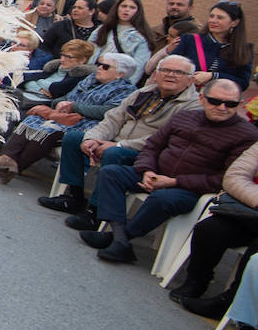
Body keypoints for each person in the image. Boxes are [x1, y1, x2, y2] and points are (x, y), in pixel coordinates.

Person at [73, 78, 258, 264]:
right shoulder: (185, 117)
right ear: (202, 98)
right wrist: (147, 170)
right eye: (215, 101)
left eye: (231, 104)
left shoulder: (246, 135)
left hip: (190, 188)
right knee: (112, 173)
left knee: (162, 198)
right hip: (156, 173)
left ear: (240, 105)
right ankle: (119, 238)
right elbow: (152, 146)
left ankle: (120, 239)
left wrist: (174, 182)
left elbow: (224, 178)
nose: (222, 107)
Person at [38, 54, 201, 215]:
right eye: (165, 70)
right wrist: (92, 138)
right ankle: (74, 197)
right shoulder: (144, 92)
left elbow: (164, 139)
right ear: (156, 74)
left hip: (146, 153)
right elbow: (114, 118)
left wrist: (119, 145)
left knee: (114, 153)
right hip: (116, 141)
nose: (170, 75)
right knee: (74, 138)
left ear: (190, 79)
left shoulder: (193, 107)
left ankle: (95, 210)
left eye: (179, 72)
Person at [0, 53, 139, 182]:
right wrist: (61, 103)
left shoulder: (125, 90)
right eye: (98, 64)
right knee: (32, 120)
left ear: (120, 74)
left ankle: (15, 166)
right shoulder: (90, 79)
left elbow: (108, 111)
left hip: (87, 122)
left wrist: (74, 107)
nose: (99, 68)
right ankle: (5, 159)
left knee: (49, 130)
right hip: (64, 115)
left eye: (105, 66)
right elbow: (67, 97)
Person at [168, 140, 258, 317]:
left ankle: (229, 301)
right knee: (209, 229)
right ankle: (197, 281)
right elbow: (234, 176)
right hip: (250, 210)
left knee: (256, 254)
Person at [173, 0, 253, 91]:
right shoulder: (190, 40)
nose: (213, 21)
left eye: (220, 18)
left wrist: (213, 76)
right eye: (211, 16)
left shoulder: (244, 50)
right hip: (186, 96)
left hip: (218, 101)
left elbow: (243, 83)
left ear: (234, 22)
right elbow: (171, 66)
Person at [87, 0, 156, 74]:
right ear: (117, 8)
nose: (127, 10)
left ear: (138, 11)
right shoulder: (102, 29)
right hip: (93, 74)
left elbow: (138, 68)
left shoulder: (142, 37)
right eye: (124, 6)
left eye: (132, 7)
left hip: (118, 79)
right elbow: (88, 52)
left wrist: (124, 85)